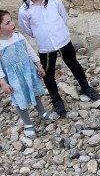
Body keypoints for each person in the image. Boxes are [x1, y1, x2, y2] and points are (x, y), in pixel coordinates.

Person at [18, 0, 100, 117]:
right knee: (48, 74)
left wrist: (59, 33)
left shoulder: (54, 0)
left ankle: (85, 87)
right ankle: (56, 99)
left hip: (63, 41)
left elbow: (63, 17)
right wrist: (42, 36)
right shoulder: (24, 10)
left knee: (74, 64)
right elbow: (28, 29)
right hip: (46, 48)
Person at [0, 10, 59, 138]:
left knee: (34, 92)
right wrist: (3, 83)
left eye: (11, 20)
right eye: (7, 23)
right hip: (14, 78)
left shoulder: (19, 36)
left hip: (28, 72)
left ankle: (42, 112)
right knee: (20, 99)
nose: (12, 24)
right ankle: (27, 124)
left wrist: (38, 65)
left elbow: (30, 51)